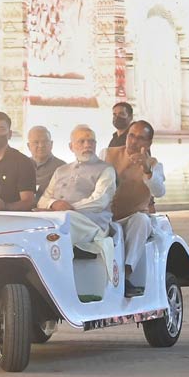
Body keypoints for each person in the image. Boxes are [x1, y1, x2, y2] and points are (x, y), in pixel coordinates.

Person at [36, 125, 117, 281]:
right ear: (71, 146)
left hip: (91, 225)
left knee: (65, 221)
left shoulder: (106, 169)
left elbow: (99, 201)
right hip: (63, 218)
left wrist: (68, 209)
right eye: (81, 141)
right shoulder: (61, 170)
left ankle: (59, 278)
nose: (87, 145)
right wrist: (53, 204)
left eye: (91, 141)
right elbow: (43, 200)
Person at [103, 120, 166, 297]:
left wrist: (146, 170)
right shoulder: (107, 154)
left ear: (148, 143)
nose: (134, 141)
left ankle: (126, 274)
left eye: (140, 138)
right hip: (106, 216)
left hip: (131, 218)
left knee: (142, 221)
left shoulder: (154, 165)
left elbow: (159, 191)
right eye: (131, 135)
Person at [26, 125, 66, 199]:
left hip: (49, 209)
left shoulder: (62, 168)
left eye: (45, 142)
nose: (41, 145)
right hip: (22, 209)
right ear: (28, 146)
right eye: (36, 142)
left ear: (51, 144)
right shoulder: (21, 165)